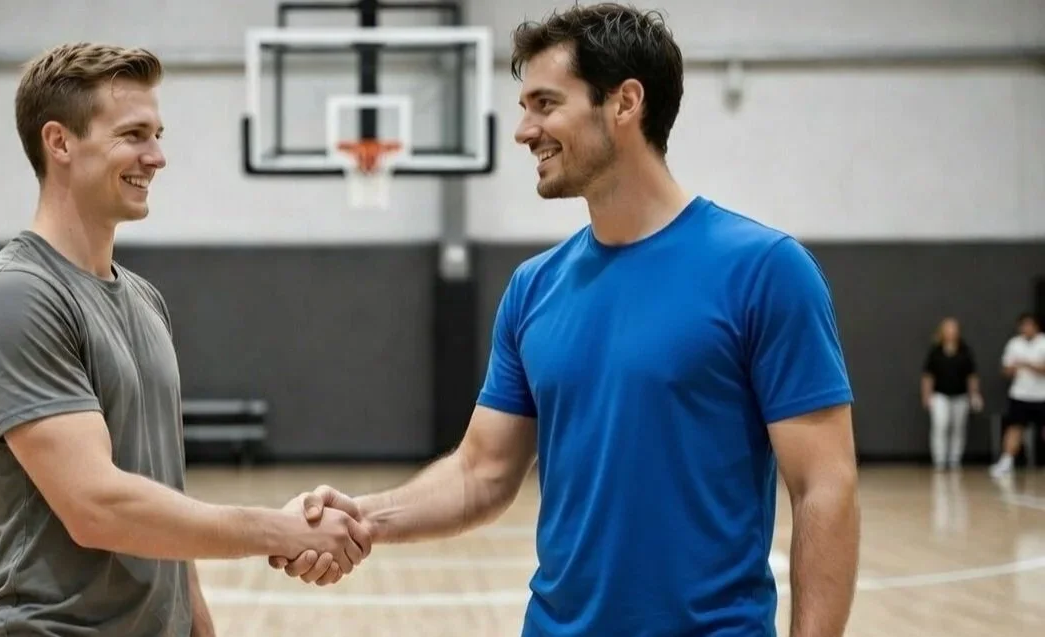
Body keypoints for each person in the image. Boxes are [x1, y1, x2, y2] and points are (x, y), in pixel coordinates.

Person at [270, 5, 861, 636]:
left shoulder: (765, 270)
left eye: (546, 104)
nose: (525, 130)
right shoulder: (533, 289)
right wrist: (362, 516)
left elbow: (824, 486)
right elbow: (482, 472)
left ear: (625, 103)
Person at [0, 42, 370, 637]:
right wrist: (282, 529)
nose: (158, 157)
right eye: (134, 135)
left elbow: (158, 491)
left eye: (158, 134)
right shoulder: (14, 296)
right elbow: (98, 507)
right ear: (60, 143)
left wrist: (198, 623)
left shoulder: (144, 300)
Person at [921, 316, 982, 471]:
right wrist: (926, 396)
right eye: (947, 329)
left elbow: (971, 376)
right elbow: (928, 376)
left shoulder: (965, 351)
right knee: (940, 425)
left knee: (958, 427)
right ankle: (939, 460)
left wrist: (974, 394)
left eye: (954, 329)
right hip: (940, 395)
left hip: (960, 395)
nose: (951, 332)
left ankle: (955, 460)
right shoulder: (935, 352)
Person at [990, 312, 1045, 477]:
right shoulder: (1014, 344)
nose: (1026, 329)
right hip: (1020, 395)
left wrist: (1028, 364)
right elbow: (1006, 369)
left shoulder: (1043, 342)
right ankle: (1006, 461)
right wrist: (1012, 369)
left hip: (1042, 395)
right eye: (1024, 325)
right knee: (1015, 428)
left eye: (1030, 325)